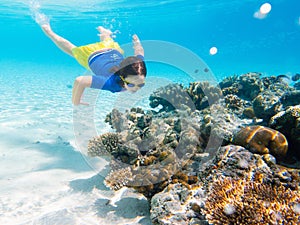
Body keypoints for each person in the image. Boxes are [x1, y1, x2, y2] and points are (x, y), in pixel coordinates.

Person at [40, 23, 147, 105]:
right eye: (131, 85)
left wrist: (137, 43)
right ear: (122, 77)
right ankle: (50, 32)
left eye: (141, 84)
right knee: (72, 49)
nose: (136, 88)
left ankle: (104, 32)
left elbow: (139, 53)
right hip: (91, 54)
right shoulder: (109, 83)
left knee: (107, 41)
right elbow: (79, 81)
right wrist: (76, 101)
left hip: (112, 50)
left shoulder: (137, 67)